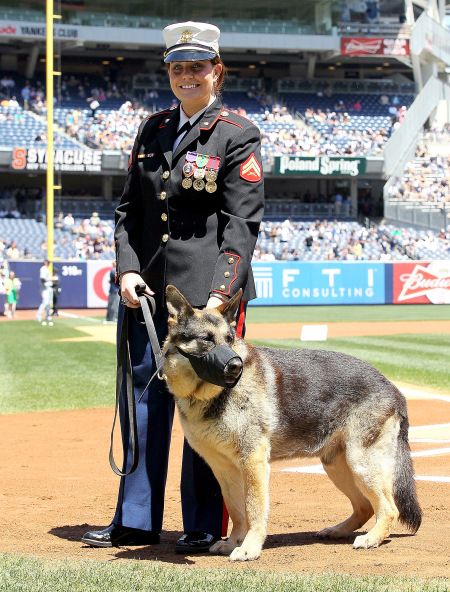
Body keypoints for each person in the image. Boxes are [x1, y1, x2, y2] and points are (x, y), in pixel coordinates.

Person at [82, 21, 264, 552]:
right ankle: (135, 519)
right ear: (169, 72)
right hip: (147, 298)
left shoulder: (237, 133)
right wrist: (128, 269)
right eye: (177, 67)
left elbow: (240, 224)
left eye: (197, 67)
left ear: (216, 72)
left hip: (205, 304)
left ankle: (204, 523)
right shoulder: (153, 128)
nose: (186, 75)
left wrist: (219, 299)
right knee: (142, 403)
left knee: (206, 406)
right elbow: (127, 213)